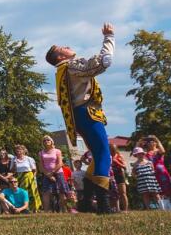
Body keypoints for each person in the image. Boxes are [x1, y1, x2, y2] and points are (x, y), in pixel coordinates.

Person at [48, 23, 117, 214]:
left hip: (79, 115)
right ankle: (103, 203)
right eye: (63, 48)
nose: (67, 46)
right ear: (60, 57)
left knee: (97, 155)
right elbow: (104, 61)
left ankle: (86, 200)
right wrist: (109, 37)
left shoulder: (62, 70)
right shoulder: (70, 65)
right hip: (87, 112)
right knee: (104, 154)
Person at [37, 137, 66, 213]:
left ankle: (64, 210)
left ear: (51, 141)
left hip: (58, 173)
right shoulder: (41, 153)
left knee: (61, 192)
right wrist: (49, 175)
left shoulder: (57, 151)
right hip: (46, 174)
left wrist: (52, 172)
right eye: (44, 140)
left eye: (48, 140)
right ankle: (46, 211)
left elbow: (60, 163)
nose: (46, 141)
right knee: (45, 192)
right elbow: (41, 166)